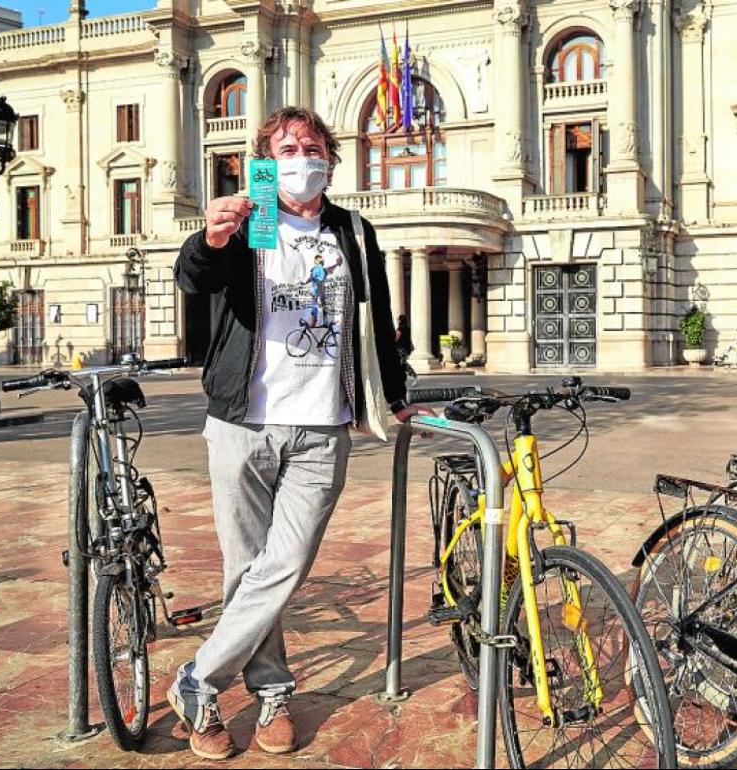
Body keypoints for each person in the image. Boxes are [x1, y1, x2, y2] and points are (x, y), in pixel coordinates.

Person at [170, 106, 431, 760]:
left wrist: (395, 397)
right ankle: (273, 692)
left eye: (312, 146)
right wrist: (211, 239)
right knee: (246, 569)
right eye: (287, 147)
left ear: (330, 159)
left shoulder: (352, 229)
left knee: (284, 564)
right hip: (242, 423)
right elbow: (195, 278)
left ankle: (198, 680)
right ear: (266, 158)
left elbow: (377, 320)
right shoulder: (252, 221)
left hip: (322, 426)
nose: (301, 156)